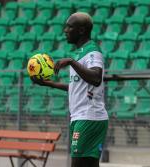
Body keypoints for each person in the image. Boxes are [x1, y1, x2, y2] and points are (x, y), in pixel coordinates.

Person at [31, 12, 109, 167]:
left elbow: (96, 78)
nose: (65, 30)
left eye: (69, 26)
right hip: (83, 117)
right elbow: (76, 88)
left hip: (89, 117)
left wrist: (72, 62)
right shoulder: (80, 53)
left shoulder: (92, 51)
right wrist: (48, 83)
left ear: (81, 30)